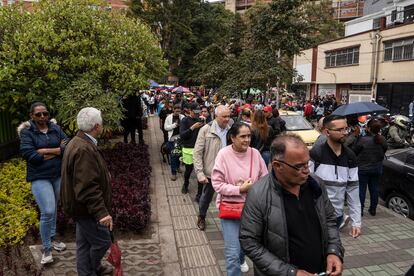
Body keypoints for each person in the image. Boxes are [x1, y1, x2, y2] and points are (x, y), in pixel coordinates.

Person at [240, 134, 344, 276]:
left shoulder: (316, 184)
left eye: (307, 163)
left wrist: (334, 251)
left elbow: (330, 220)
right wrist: (290, 273)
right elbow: (249, 242)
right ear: (277, 166)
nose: (306, 170)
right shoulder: (258, 194)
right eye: (299, 166)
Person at [60, 107, 113, 276]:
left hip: (80, 208)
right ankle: (91, 268)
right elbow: (87, 187)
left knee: (84, 244)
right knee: (102, 241)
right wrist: (101, 213)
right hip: (86, 209)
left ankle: (89, 270)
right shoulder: (83, 148)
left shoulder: (78, 141)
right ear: (97, 126)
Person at [212, 122, 268, 276]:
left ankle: (242, 257)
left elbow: (265, 179)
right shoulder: (223, 154)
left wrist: (254, 188)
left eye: (249, 136)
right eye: (242, 136)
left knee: (246, 246)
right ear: (232, 138)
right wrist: (239, 189)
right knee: (232, 252)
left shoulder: (255, 154)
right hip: (230, 209)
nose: (247, 140)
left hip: (252, 210)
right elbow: (217, 184)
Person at [19, 102, 69, 265]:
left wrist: (43, 151)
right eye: (38, 114)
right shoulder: (27, 133)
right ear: (31, 116)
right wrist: (56, 151)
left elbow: (66, 146)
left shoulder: (56, 128)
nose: (42, 117)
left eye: (45, 114)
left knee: (54, 209)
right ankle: (46, 249)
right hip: (39, 177)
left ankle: (53, 239)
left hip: (57, 175)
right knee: (47, 210)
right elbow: (30, 156)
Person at [310, 115, 362, 238]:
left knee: (333, 250)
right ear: (327, 132)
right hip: (315, 216)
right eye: (339, 130)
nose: (344, 133)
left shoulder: (350, 157)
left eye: (346, 128)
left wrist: (357, 222)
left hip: (337, 217)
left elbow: (353, 191)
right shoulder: (316, 154)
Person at [193, 105, 232, 230]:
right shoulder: (206, 130)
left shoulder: (231, 130)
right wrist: (199, 173)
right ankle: (201, 217)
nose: (227, 119)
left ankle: (228, 219)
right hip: (211, 171)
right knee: (206, 197)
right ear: (216, 116)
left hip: (227, 171)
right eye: (224, 116)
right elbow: (197, 153)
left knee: (228, 196)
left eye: (228, 116)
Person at [352, 119, 388, 216]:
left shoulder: (362, 140)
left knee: (361, 190)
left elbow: (354, 152)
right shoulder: (382, 139)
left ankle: (360, 211)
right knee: (375, 189)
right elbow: (384, 150)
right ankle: (373, 210)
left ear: (368, 128)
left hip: (363, 169)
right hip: (377, 168)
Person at [179, 103, 204, 194]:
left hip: (199, 150)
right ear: (190, 111)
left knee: (200, 172)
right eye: (195, 112)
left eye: (198, 113)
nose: (196, 114)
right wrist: (192, 128)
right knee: (188, 171)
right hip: (188, 149)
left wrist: (204, 123)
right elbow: (182, 135)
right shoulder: (184, 120)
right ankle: (185, 184)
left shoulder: (199, 120)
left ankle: (199, 193)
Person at [164, 104, 185, 181]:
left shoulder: (182, 117)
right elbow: (165, 127)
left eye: (179, 111)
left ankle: (178, 167)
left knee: (179, 154)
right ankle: (173, 173)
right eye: (176, 111)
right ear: (173, 110)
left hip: (180, 139)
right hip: (172, 139)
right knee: (173, 156)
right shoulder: (169, 117)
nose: (177, 112)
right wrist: (174, 125)